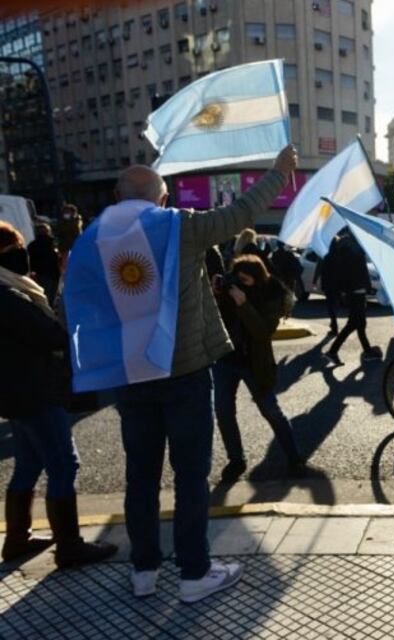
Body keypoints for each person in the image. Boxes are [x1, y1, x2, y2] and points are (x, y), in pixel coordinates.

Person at [74, 145, 297, 603]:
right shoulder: (179, 226)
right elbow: (241, 213)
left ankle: (144, 571)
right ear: (160, 199)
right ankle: (194, 574)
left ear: (116, 195)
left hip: (130, 376)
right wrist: (278, 173)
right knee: (191, 478)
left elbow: (73, 306)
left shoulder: (91, 238)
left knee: (141, 477)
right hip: (185, 372)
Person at [0, 221, 117, 567]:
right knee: (64, 463)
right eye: (15, 250)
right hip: (34, 392)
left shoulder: (11, 290)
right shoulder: (7, 296)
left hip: (16, 393)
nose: (23, 254)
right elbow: (52, 334)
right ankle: (69, 546)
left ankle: (17, 541)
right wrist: (69, 290)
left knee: (29, 463)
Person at [213, 254, 306, 482]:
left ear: (257, 279)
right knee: (223, 412)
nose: (239, 283)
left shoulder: (273, 296)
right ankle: (236, 460)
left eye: (245, 280)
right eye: (237, 278)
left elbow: (262, 332)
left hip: (255, 362)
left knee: (270, 410)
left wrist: (243, 304)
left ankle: (294, 457)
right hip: (226, 359)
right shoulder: (230, 291)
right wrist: (216, 294)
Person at [324, 228, 383, 365]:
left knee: (359, 324)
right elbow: (356, 271)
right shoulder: (350, 248)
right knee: (354, 324)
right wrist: (363, 287)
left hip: (356, 291)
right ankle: (333, 352)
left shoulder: (349, 247)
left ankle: (366, 351)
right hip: (356, 291)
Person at [27, 222, 61, 304]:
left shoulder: (32, 245)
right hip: (53, 273)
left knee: (41, 296)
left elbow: (30, 259)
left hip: (39, 273)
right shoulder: (53, 243)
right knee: (51, 296)